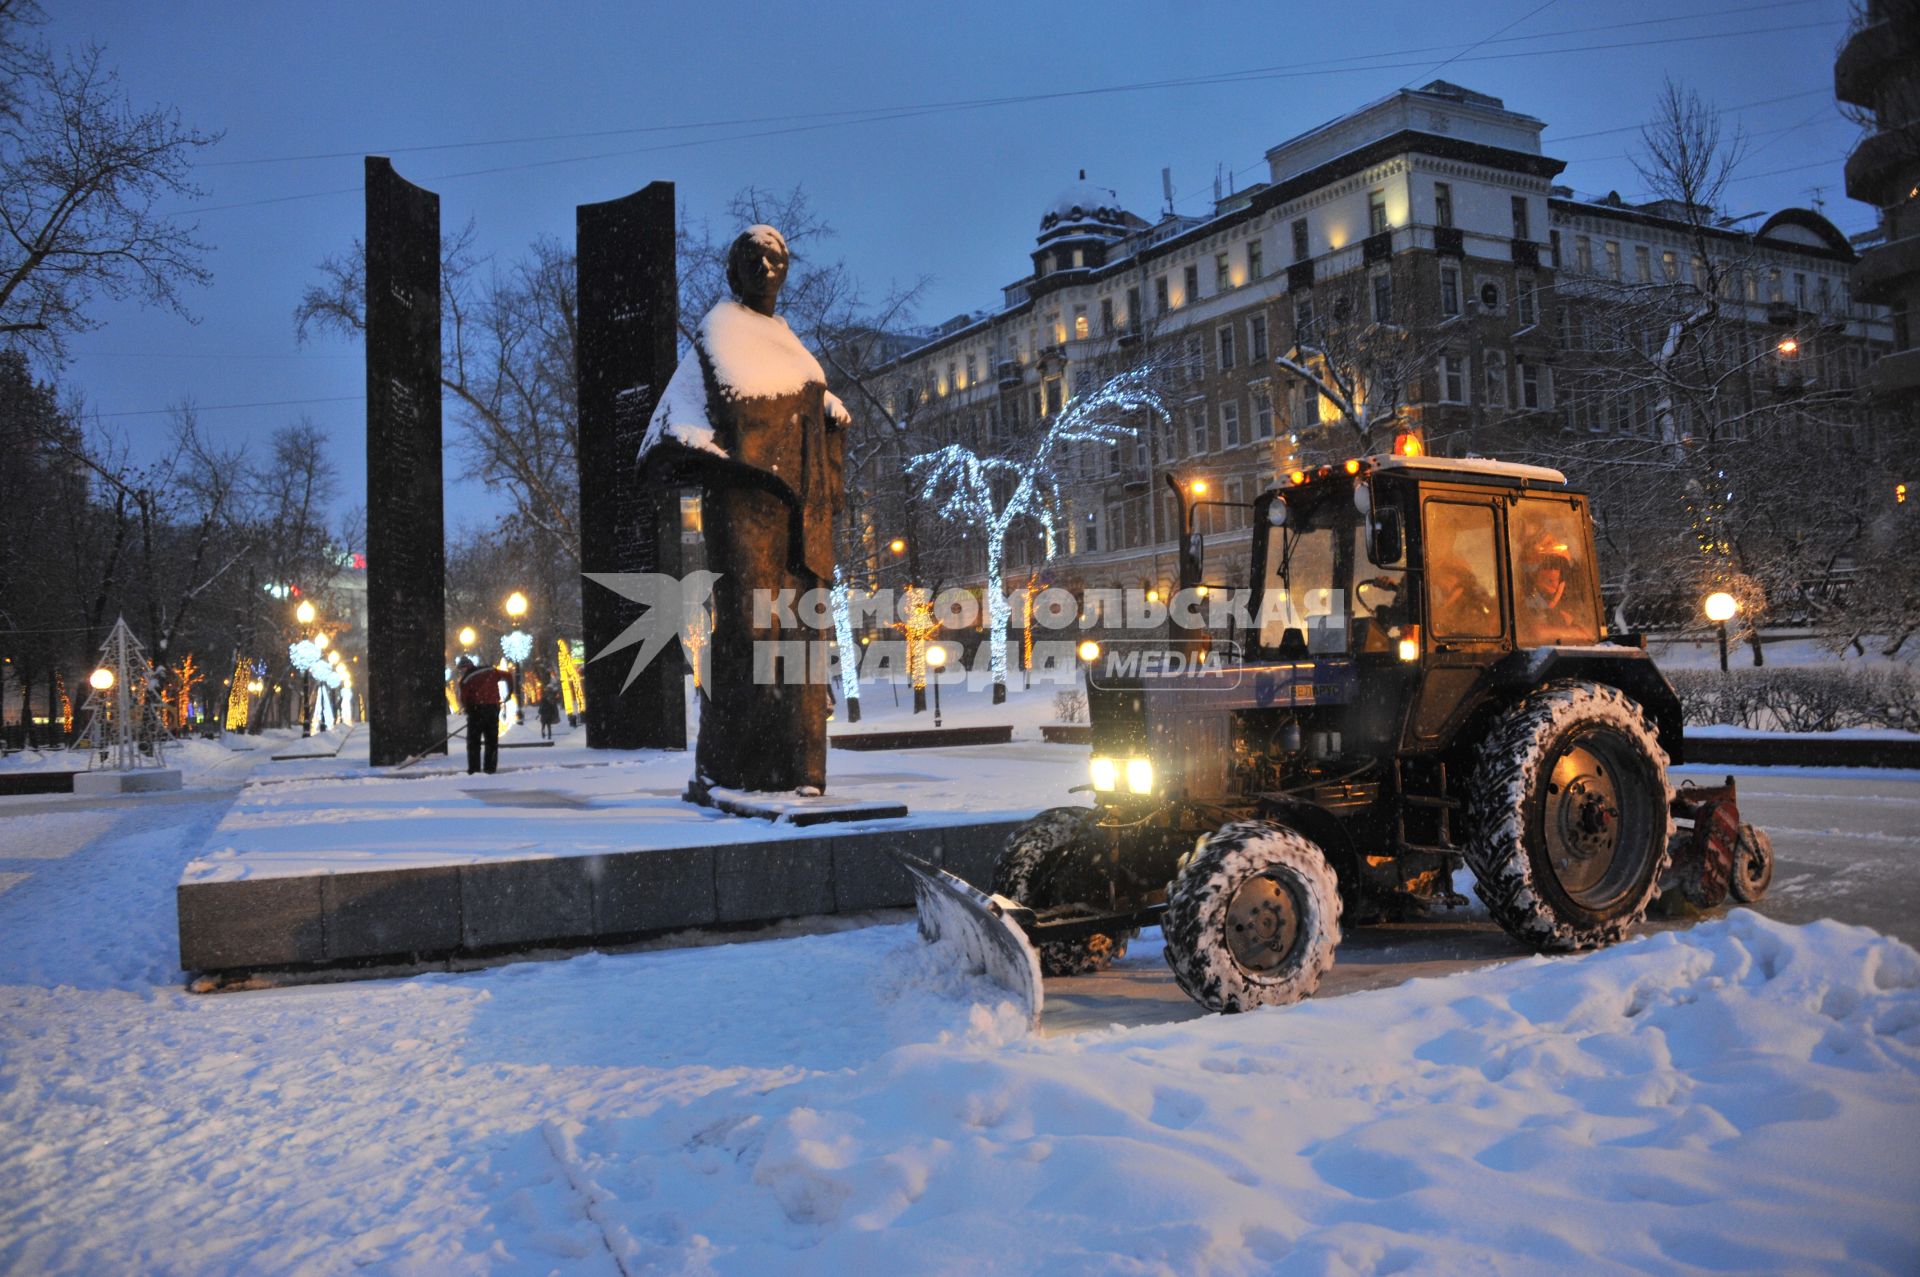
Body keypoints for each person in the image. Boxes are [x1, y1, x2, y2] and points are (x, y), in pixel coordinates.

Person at [637, 224, 849, 798]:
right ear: (734, 270)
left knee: (802, 637)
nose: (766, 268)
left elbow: (802, 398)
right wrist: (732, 465)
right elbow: (672, 431)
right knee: (751, 637)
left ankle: (801, 769)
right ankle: (733, 769)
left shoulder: (784, 338)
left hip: (801, 520)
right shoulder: (718, 334)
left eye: (776, 259)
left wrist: (827, 412)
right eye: (753, 258)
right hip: (745, 514)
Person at [455, 655, 511, 775]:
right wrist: (509, 694)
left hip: (476, 711)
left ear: (464, 668)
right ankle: (490, 768)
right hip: (493, 709)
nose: (460, 672)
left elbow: (465, 699)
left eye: (460, 670)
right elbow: (508, 676)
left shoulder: (465, 680)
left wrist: (468, 709)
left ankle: (474, 769)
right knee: (491, 741)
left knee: (473, 742)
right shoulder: (491, 671)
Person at [537, 671, 560, 740]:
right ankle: (549, 736)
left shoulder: (543, 700)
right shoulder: (550, 701)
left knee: (543, 726)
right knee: (548, 726)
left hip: (544, 715)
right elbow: (553, 707)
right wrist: (553, 713)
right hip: (548, 715)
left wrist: (540, 712)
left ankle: (543, 734)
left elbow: (540, 708)